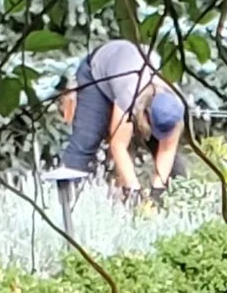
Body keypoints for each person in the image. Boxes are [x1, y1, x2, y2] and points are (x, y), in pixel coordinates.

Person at [54, 39, 187, 230]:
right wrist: (135, 192)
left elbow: (166, 150)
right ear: (146, 114)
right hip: (98, 75)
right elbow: (118, 145)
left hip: (132, 71)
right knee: (87, 140)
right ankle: (66, 207)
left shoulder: (175, 106)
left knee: (172, 164)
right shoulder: (129, 96)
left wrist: (157, 193)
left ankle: (178, 210)